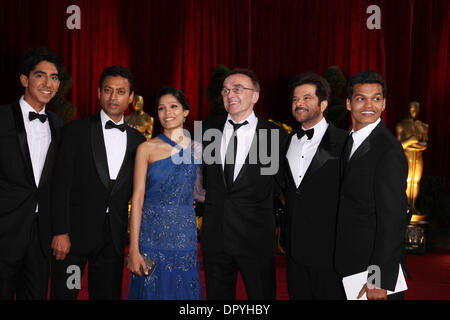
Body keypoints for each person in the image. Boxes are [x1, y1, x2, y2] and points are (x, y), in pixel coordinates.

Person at [50, 66, 145, 300]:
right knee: (66, 294)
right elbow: (60, 184)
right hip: (73, 239)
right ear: (98, 93)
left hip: (111, 240)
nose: (114, 97)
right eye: (108, 90)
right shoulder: (75, 131)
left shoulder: (138, 141)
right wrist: (60, 231)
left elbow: (140, 191)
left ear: (131, 97)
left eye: (121, 91)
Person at [201, 68, 288, 300]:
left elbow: (278, 184)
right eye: (226, 90)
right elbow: (208, 179)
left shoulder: (274, 135)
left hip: (256, 238)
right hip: (216, 237)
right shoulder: (209, 129)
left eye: (238, 88)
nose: (231, 94)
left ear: (256, 95)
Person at [334, 70, 409, 300]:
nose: (369, 105)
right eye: (361, 98)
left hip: (373, 273)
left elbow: (393, 219)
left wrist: (377, 278)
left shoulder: (388, 150)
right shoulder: (349, 141)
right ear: (348, 103)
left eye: (376, 98)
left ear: (384, 103)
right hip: (351, 263)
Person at [126, 86, 204, 300]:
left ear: (185, 111)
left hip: (184, 238)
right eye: (161, 108)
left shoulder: (197, 149)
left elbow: (198, 192)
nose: (167, 112)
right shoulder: (146, 149)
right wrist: (133, 249)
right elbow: (138, 199)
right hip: (150, 238)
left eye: (173, 106)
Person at [0, 47, 64, 299]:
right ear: (25, 80)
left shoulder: (60, 125)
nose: (48, 83)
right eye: (41, 76)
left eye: (55, 77)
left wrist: (60, 229)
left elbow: (61, 183)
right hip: (4, 229)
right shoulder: (2, 117)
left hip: (41, 235)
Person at [283, 73, 347, 299]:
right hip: (294, 251)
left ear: (324, 104)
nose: (299, 103)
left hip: (330, 252)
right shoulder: (286, 141)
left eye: (307, 98)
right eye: (295, 99)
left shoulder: (344, 143)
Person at [395, 101, 428, 214]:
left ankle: (413, 206)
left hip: (418, 157)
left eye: (416, 109)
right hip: (406, 157)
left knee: (415, 181)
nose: (414, 111)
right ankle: (405, 206)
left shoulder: (423, 126)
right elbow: (399, 145)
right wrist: (411, 140)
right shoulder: (401, 125)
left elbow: (424, 144)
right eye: (412, 108)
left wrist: (412, 144)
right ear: (408, 109)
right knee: (407, 181)